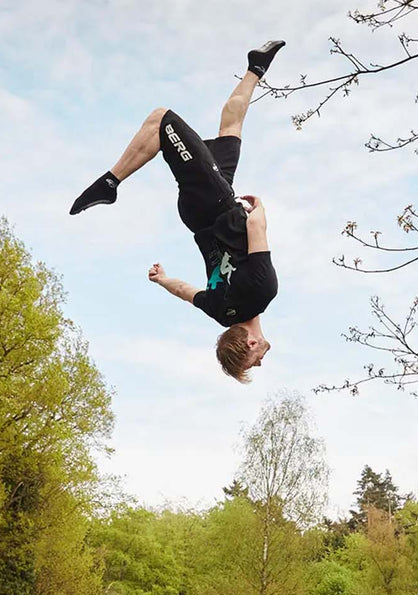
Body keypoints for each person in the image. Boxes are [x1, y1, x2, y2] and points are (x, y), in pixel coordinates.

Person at [69, 41, 285, 382]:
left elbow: (257, 228)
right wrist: (162, 279)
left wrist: (258, 207)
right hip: (203, 211)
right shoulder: (220, 313)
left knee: (160, 120)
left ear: (252, 342)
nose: (259, 362)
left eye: (252, 361)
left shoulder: (262, 291)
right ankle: (255, 68)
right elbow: (186, 292)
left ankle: (110, 184)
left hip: (213, 201)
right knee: (231, 128)